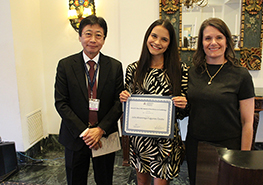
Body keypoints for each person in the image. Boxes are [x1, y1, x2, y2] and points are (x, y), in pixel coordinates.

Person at [54, 15, 124, 185]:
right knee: (75, 180)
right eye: (88, 34)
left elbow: (118, 103)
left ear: (104, 39)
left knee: (105, 179)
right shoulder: (65, 65)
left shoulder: (115, 66)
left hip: (105, 136)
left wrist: (100, 129)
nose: (93, 40)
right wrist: (85, 132)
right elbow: (61, 103)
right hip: (75, 136)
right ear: (80, 37)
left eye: (98, 35)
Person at [186, 18, 255, 185]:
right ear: (201, 43)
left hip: (229, 147)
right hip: (196, 145)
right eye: (207, 38)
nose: (213, 43)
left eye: (219, 37)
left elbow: (247, 122)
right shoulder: (192, 73)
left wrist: (244, 158)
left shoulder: (241, 75)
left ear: (227, 41)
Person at [119, 19, 188, 185]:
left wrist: (184, 104)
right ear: (147, 37)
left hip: (165, 142)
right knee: (141, 182)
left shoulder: (180, 69)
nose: (157, 42)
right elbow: (129, 107)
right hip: (140, 140)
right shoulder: (133, 69)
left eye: (164, 39)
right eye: (154, 36)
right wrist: (124, 99)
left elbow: (183, 113)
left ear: (170, 44)